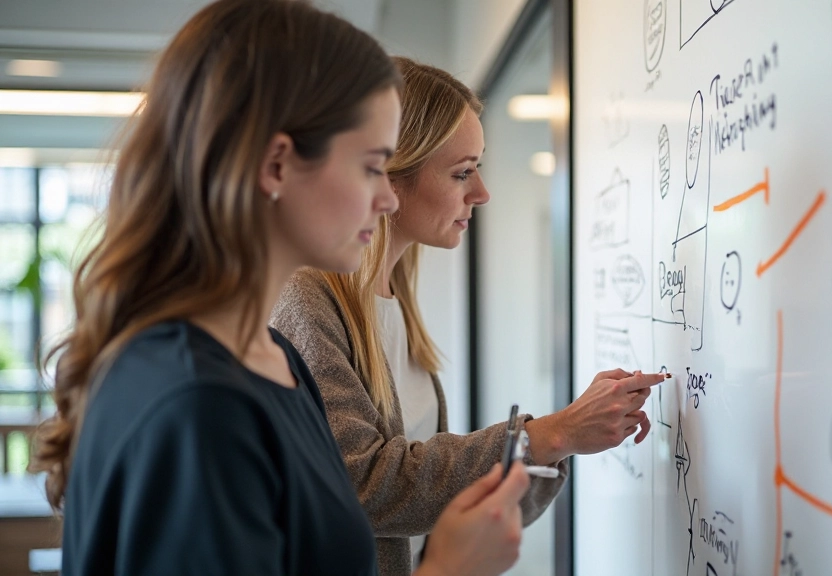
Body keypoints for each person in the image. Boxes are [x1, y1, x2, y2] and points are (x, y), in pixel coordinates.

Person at [31, 2, 530, 575]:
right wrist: (447, 569)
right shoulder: (195, 404)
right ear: (277, 166)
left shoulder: (277, 360)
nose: (389, 197)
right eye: (371, 166)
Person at [270, 57, 665, 576]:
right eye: (462, 173)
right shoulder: (305, 298)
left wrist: (560, 441)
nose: (481, 193)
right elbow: (362, 482)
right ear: (391, 175)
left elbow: (427, 502)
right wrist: (552, 433)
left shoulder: (395, 298)